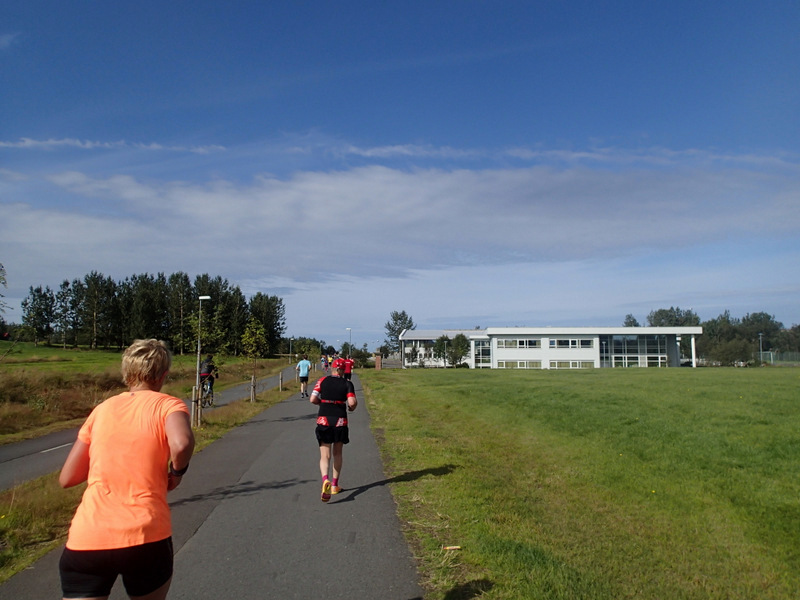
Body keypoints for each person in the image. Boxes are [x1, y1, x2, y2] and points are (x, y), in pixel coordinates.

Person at [58, 338, 194, 600]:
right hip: (145, 535)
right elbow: (182, 443)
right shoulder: (168, 405)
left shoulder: (102, 410)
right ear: (164, 375)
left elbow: (67, 478)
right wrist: (176, 473)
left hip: (89, 536)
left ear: (126, 373)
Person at [309, 359, 357, 502]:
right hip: (339, 420)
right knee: (338, 453)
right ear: (342, 370)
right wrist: (352, 408)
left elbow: (312, 399)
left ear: (332, 368)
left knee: (325, 455)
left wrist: (321, 403)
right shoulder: (347, 383)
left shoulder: (322, 380)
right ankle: (335, 485)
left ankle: (325, 479)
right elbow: (352, 402)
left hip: (323, 419)